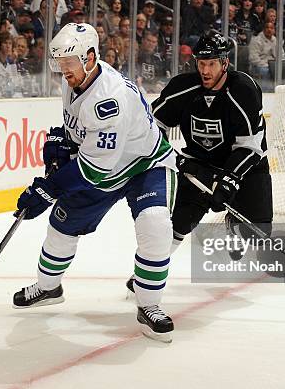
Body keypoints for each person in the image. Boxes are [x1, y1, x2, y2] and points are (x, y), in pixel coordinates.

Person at [12, 23, 177, 343]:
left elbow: (95, 170)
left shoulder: (110, 100)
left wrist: (48, 188)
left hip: (145, 166)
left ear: (89, 57)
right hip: (104, 166)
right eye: (59, 63)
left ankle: (149, 305)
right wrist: (64, 142)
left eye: (68, 62)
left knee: (155, 224)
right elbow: (79, 133)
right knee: (61, 226)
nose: (63, 69)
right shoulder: (73, 79)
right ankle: (49, 288)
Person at [128, 29, 271, 272]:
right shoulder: (183, 88)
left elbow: (250, 146)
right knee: (179, 223)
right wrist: (172, 158)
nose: (205, 71)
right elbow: (152, 125)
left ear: (225, 63)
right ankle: (147, 274)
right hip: (199, 165)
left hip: (244, 165)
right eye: (201, 63)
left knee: (257, 233)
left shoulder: (244, 90)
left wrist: (229, 179)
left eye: (212, 64)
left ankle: (235, 224)